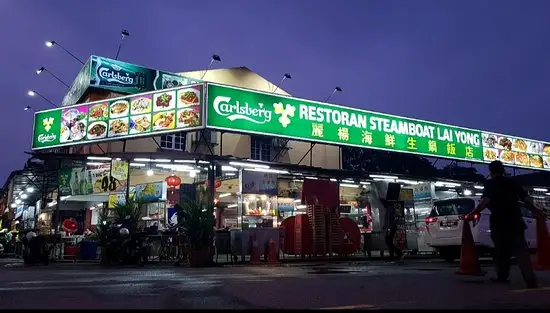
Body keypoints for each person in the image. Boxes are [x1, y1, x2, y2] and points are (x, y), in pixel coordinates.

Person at [470, 160, 542, 289]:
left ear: (490, 172)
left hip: (499, 223)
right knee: (521, 252)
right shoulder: (512, 183)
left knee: (501, 251)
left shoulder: (491, 184)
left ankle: (502, 276)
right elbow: (525, 199)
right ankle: (530, 280)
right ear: (503, 170)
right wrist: (536, 210)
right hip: (515, 221)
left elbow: (485, 200)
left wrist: (473, 212)